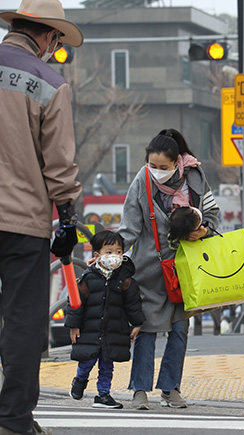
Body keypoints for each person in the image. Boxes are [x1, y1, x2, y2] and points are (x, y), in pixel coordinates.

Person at [0, 0, 83, 433]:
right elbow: (59, 164)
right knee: (22, 320)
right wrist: (67, 220)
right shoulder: (49, 83)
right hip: (22, 223)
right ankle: (12, 420)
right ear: (50, 36)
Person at [118, 128, 220, 410]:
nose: (156, 171)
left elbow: (211, 212)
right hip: (149, 268)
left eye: (163, 167)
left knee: (179, 329)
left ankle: (170, 388)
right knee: (147, 328)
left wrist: (205, 230)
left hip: (186, 268)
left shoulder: (196, 177)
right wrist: (111, 252)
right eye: (152, 165)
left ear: (177, 161)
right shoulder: (142, 180)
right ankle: (139, 390)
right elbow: (130, 226)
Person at [65, 231, 145, 410]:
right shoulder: (88, 278)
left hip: (112, 331)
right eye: (109, 252)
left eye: (118, 252)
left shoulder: (124, 280)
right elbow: (76, 303)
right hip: (89, 330)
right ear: (97, 255)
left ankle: (103, 395)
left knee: (107, 365)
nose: (114, 256)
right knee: (86, 362)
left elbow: (133, 304)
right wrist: (74, 325)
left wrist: (137, 323)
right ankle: (80, 380)